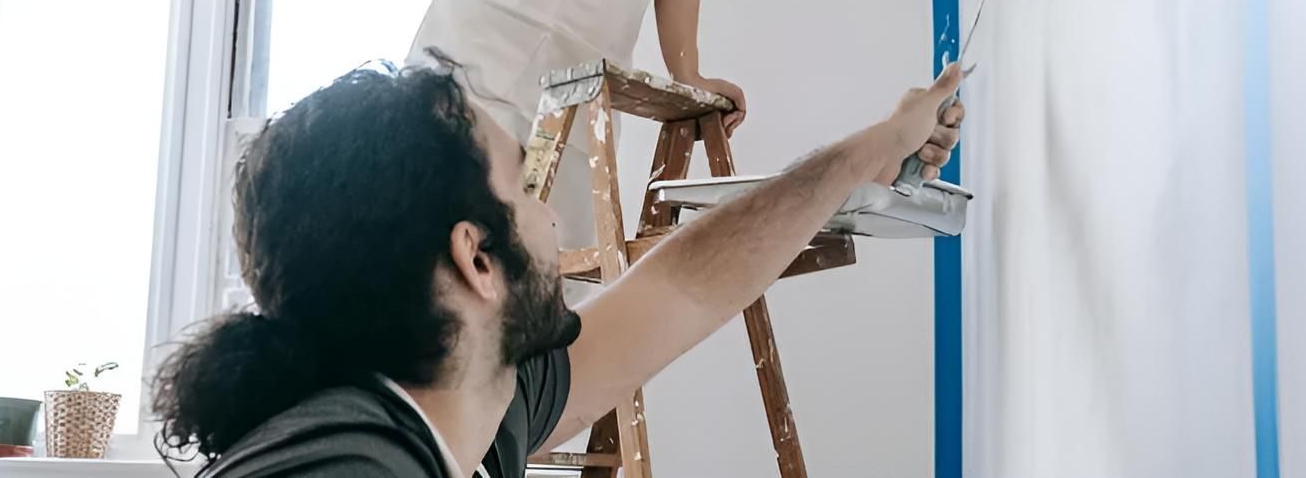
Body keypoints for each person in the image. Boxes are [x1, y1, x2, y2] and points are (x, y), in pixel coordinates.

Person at [152, 59, 966, 477]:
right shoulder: (346, 468)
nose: (550, 214)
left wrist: (871, 149)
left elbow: (685, 285)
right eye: (524, 186)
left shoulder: (464, 403)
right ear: (477, 259)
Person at [405, 0, 842, 250]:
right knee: (463, 249)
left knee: (551, 270)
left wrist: (688, 73)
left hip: (578, 79)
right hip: (500, 48)